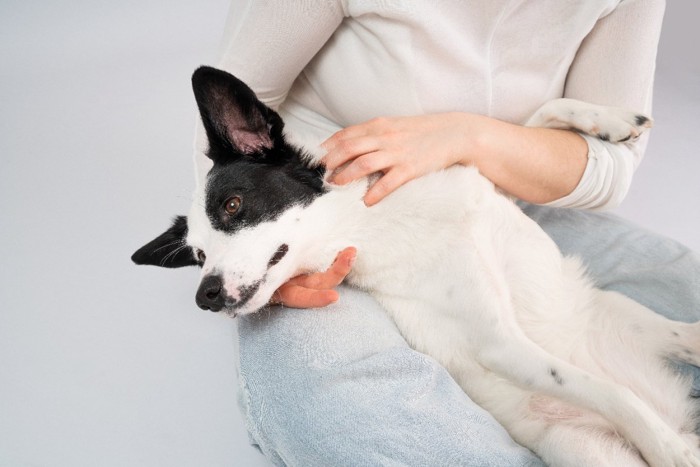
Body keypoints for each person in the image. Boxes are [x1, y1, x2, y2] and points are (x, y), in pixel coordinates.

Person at [192, 1, 700, 465]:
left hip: (507, 193)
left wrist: (467, 135)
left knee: (681, 285)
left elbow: (608, 164)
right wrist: (259, 254)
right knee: (329, 402)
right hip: (329, 228)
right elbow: (235, 103)